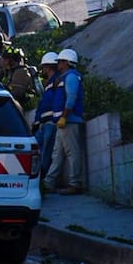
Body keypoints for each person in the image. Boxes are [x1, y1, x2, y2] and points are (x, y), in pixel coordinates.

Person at [43, 48, 85, 195]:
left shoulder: (71, 77)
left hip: (69, 121)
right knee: (57, 153)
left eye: (60, 61)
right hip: (62, 121)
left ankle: (75, 183)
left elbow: (71, 98)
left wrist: (64, 117)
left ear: (67, 62)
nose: (58, 64)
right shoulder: (65, 76)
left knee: (72, 153)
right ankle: (49, 183)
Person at [32, 52, 62, 178]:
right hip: (43, 123)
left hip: (51, 122)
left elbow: (58, 101)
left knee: (46, 151)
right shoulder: (49, 83)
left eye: (43, 67)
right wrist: (37, 122)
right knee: (36, 149)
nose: (42, 70)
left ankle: (42, 176)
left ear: (49, 67)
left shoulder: (57, 81)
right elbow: (42, 103)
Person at [0, 47, 39, 125]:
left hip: (29, 110)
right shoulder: (11, 72)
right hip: (22, 108)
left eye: (6, 59)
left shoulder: (21, 72)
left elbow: (17, 93)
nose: (3, 61)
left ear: (12, 61)